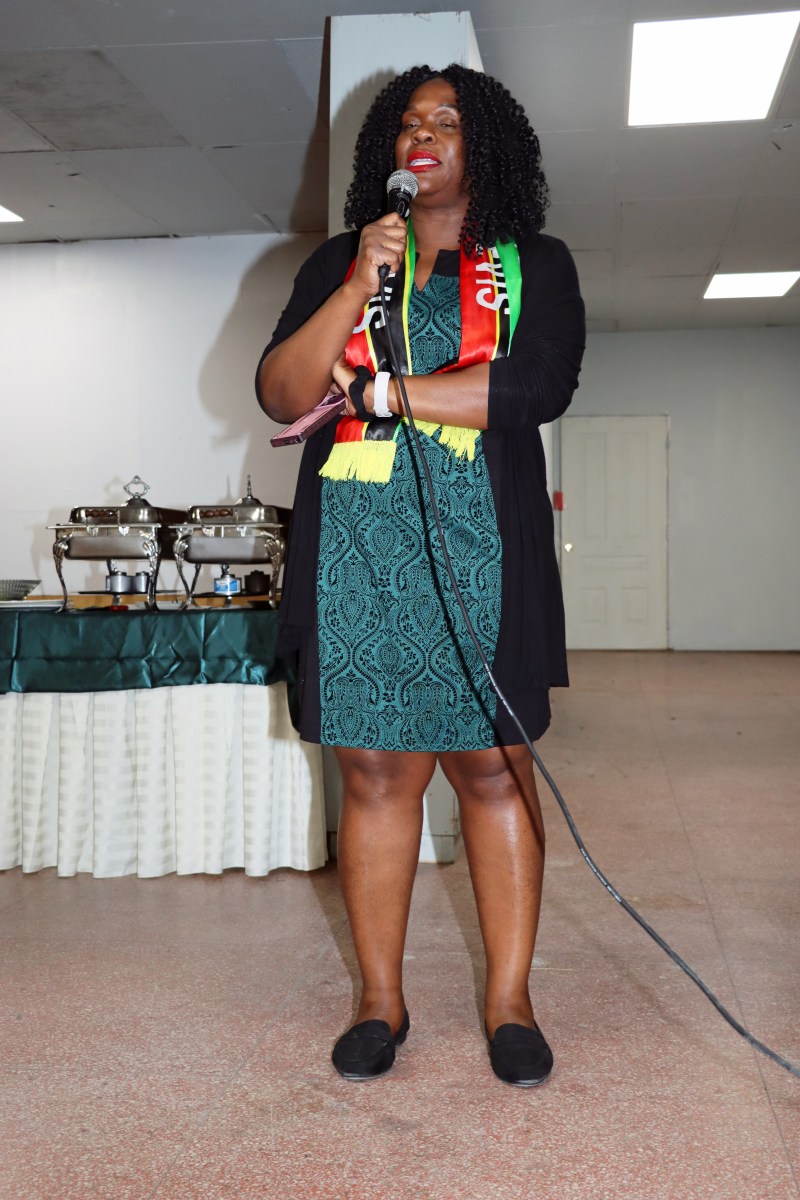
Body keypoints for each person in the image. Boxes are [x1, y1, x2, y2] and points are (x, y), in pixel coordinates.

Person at [256, 64, 585, 1087]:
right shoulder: (341, 259)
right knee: (372, 771)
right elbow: (279, 390)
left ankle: (509, 1004)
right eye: (407, 122)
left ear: (483, 144)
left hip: (481, 545)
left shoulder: (531, 263)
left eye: (445, 119)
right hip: (357, 546)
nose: (422, 133)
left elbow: (536, 384)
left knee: (491, 768)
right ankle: (378, 1003)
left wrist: (387, 392)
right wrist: (356, 282)